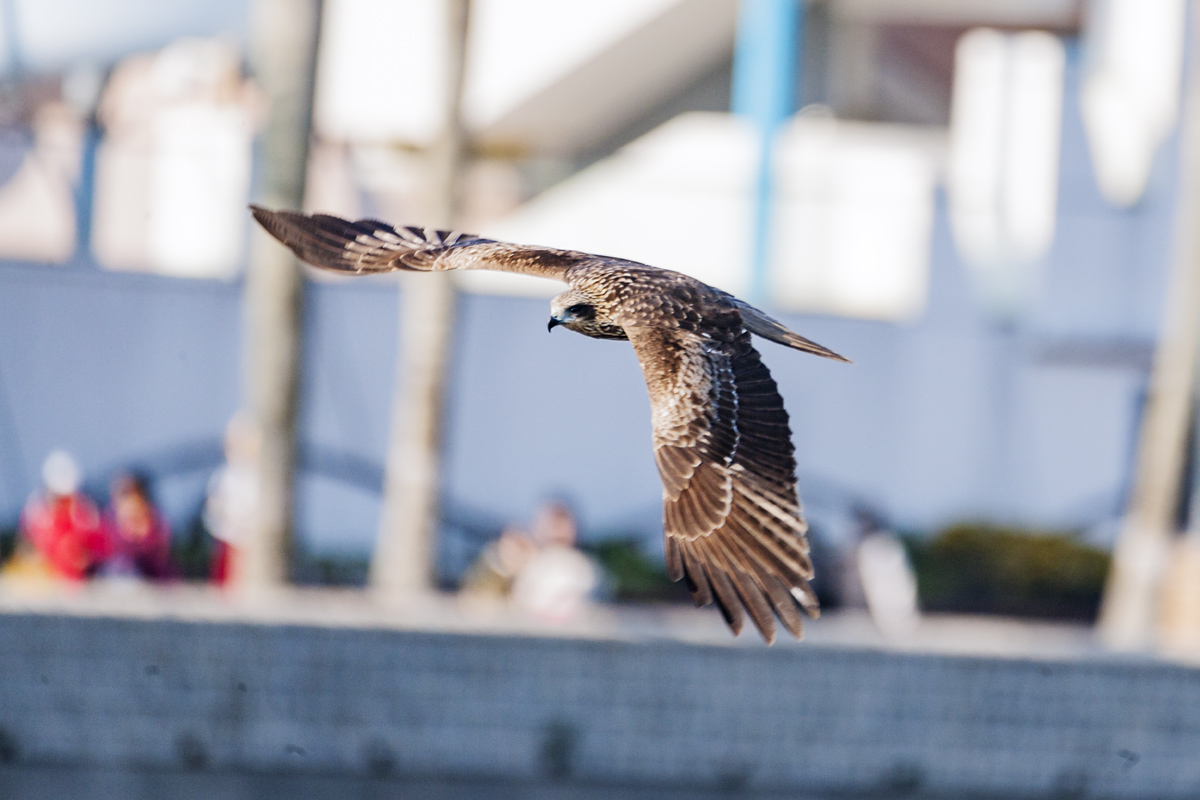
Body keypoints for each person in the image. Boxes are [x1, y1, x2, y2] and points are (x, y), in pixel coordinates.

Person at [18, 451, 108, 581]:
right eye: (59, 497)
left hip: (84, 585)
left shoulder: (86, 512)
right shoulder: (34, 514)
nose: (63, 502)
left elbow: (102, 549)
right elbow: (26, 549)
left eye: (67, 497)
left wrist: (87, 558)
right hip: (48, 585)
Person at [510, 501, 599, 623]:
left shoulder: (585, 567)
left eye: (562, 524)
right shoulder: (522, 563)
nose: (557, 531)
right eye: (552, 524)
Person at [204, 412, 261, 584]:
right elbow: (214, 507)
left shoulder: (258, 478)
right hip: (227, 539)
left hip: (251, 543)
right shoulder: (225, 476)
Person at [101, 472, 172, 580]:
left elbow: (158, 558)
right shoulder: (108, 522)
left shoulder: (156, 524)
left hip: (154, 583)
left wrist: (142, 535)